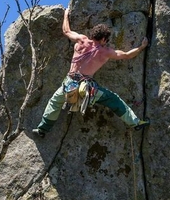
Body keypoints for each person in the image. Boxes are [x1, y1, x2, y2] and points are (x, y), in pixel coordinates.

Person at [32, 8, 150, 137]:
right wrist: (141, 47)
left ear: (93, 34)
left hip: (69, 84)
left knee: (54, 103)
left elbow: (66, 31)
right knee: (113, 99)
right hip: (87, 90)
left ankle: (42, 129)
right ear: (104, 38)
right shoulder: (105, 52)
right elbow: (127, 55)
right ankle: (135, 123)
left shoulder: (82, 40)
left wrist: (66, 14)